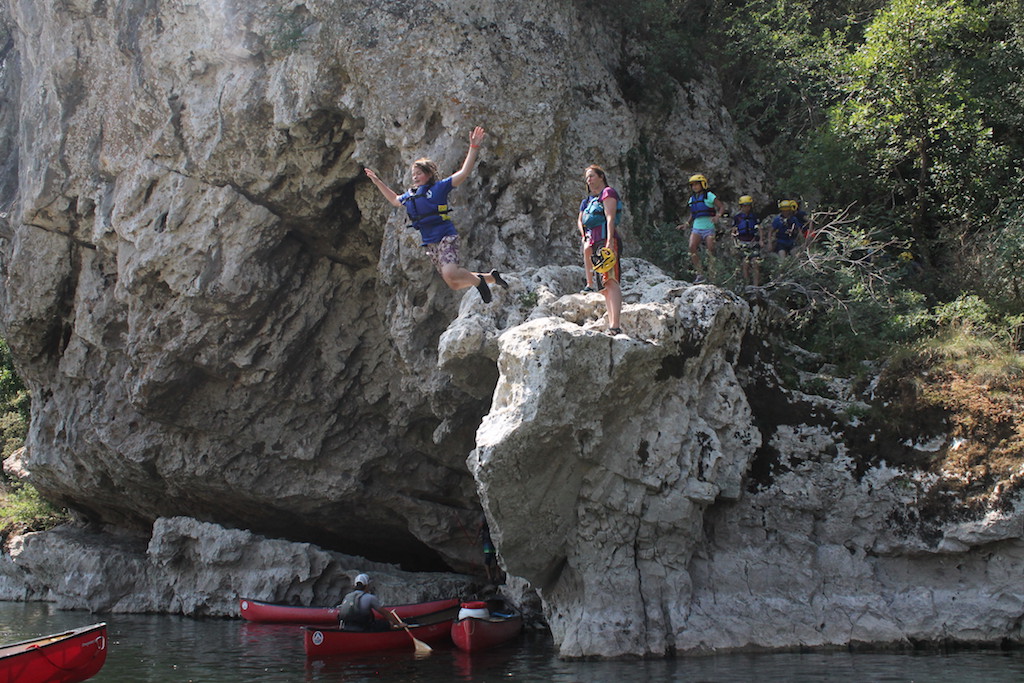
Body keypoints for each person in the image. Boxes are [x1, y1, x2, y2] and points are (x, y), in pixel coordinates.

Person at [364, 126, 508, 303]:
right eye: (413, 175)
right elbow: (394, 199)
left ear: (428, 174)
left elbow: (463, 173)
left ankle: (479, 283)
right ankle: (492, 278)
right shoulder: (411, 196)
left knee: (451, 272)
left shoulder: (439, 188)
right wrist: (377, 181)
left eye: (419, 174)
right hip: (431, 243)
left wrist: (474, 148)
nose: (415, 177)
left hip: (446, 235)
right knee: (453, 283)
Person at [578, 165, 624, 335]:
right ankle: (612, 325)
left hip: (605, 241)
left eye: (591, 176)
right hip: (595, 241)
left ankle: (615, 325)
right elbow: (582, 220)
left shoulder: (608, 193)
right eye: (587, 178)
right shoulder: (590, 200)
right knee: (604, 286)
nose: (589, 180)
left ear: (601, 176)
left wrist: (610, 241)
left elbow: (610, 217)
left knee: (611, 281)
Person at [676, 174, 725, 283]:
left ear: (703, 184)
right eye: (692, 185)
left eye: (696, 184)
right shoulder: (692, 199)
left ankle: (713, 274)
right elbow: (693, 214)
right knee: (692, 247)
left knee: (711, 249)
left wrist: (718, 216)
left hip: (709, 227)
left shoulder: (709, 195)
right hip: (697, 227)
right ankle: (700, 273)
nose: (694, 187)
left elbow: (721, 206)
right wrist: (686, 224)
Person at [337, 573, 404, 632]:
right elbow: (385, 613)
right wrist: (398, 623)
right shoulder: (370, 597)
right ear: (367, 585)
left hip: (346, 627)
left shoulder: (348, 596)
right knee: (389, 624)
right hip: (363, 628)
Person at [732, 195, 764, 286]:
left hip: (753, 242)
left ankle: (756, 285)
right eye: (744, 206)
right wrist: (734, 241)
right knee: (745, 264)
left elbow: (760, 229)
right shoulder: (737, 218)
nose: (746, 208)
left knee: (755, 263)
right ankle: (747, 285)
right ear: (741, 206)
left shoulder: (754, 217)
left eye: (748, 205)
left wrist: (761, 240)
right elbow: (734, 230)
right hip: (742, 243)